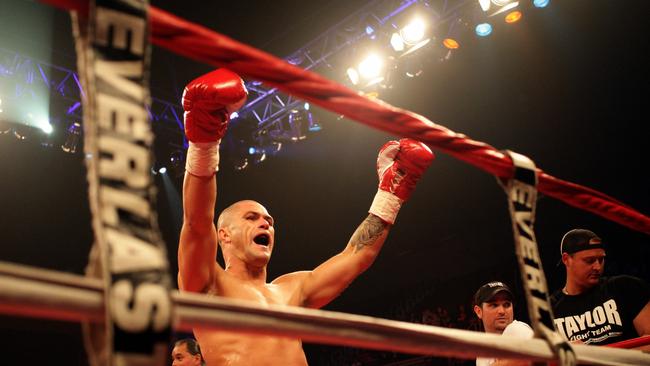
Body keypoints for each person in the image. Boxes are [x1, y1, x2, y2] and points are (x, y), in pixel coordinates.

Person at [177, 68, 435, 366]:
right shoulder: (209, 286)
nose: (265, 224)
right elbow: (196, 222)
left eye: (269, 221)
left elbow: (356, 256)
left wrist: (391, 196)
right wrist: (204, 142)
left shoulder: (291, 290)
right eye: (251, 218)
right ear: (224, 235)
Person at [551, 228, 650, 348]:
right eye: (590, 261)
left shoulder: (624, 287)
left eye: (601, 259)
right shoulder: (549, 309)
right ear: (566, 259)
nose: (597, 267)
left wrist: (596, 356)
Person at [473, 281, 534, 366]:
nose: (502, 311)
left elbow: (535, 359)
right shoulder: (481, 355)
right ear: (479, 311)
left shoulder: (517, 329)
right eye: (494, 305)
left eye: (506, 304)